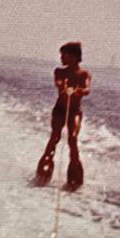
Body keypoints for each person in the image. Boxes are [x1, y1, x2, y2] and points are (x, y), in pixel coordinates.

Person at [35, 42, 91, 190]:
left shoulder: (84, 74)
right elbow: (58, 82)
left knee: (72, 139)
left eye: (64, 55)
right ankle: (44, 171)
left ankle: (75, 175)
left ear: (74, 57)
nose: (61, 58)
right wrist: (63, 86)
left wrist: (78, 90)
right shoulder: (59, 71)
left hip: (74, 112)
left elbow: (86, 89)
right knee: (55, 137)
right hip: (60, 110)